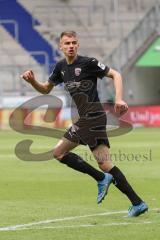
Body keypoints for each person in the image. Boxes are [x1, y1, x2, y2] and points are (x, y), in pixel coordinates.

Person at [21, 30, 148, 217]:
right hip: (89, 118)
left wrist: (119, 99)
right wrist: (32, 81)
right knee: (105, 164)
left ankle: (102, 179)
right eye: (67, 43)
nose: (71, 46)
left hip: (93, 117)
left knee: (59, 153)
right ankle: (137, 203)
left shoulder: (88, 63)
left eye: (74, 42)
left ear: (78, 45)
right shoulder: (60, 68)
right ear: (61, 47)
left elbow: (116, 74)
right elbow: (46, 89)